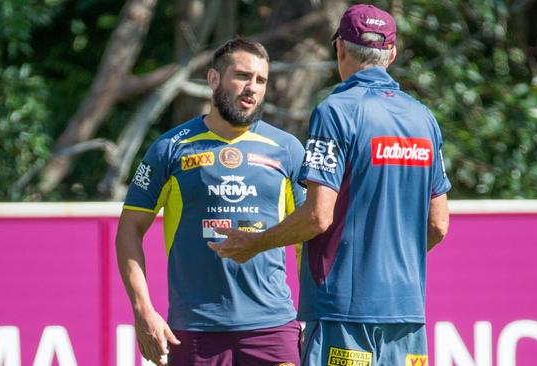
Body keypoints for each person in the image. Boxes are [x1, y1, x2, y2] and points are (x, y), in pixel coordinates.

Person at [209, 4, 451, 366]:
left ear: (339, 48)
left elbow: (318, 216)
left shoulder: (336, 111)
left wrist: (253, 244)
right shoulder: (423, 118)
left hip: (344, 312)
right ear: (393, 54)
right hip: (407, 316)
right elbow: (439, 225)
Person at [116, 38, 305, 366]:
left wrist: (314, 315)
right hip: (195, 331)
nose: (252, 88)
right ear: (214, 79)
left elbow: (308, 237)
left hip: (273, 329)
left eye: (261, 80)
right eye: (243, 76)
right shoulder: (170, 148)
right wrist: (143, 309)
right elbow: (129, 229)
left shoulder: (287, 149)